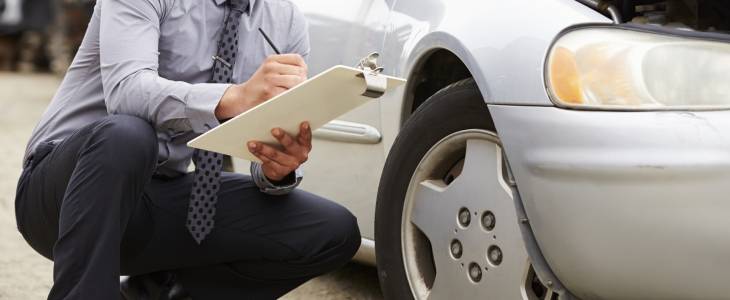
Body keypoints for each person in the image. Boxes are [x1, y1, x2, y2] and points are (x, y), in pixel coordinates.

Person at [13, 0, 361, 299]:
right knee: (128, 136)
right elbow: (127, 91)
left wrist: (278, 166)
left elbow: (269, 131)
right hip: (62, 193)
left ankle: (154, 293)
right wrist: (234, 97)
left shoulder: (284, 19)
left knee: (331, 230)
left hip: (159, 195)